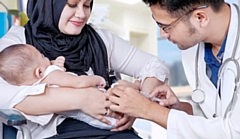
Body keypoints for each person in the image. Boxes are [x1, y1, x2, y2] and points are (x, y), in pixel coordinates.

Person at [0, 0, 169, 138]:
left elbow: (154, 65)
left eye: (87, 5)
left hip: (112, 130)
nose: (82, 14)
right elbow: (3, 94)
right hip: (57, 134)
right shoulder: (19, 43)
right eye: (72, 5)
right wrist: (82, 99)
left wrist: (140, 104)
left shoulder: (100, 39)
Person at [109, 0, 240, 138]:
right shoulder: (193, 48)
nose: (163, 34)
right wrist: (181, 108)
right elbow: (215, 116)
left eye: (166, 26)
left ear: (200, 18)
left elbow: (234, 132)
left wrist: (148, 110)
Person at [0, 43, 119, 130]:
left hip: (88, 118)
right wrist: (97, 79)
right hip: (99, 107)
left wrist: (55, 63)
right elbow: (79, 82)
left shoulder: (33, 87)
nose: (46, 58)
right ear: (39, 72)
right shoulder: (51, 74)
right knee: (119, 92)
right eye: (42, 56)